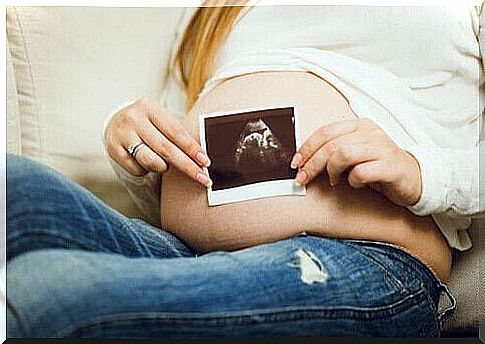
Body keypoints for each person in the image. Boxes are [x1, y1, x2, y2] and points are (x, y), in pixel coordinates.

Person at [7, 1, 483, 338]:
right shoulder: (218, 11)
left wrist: (424, 172)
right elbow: (179, 146)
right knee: (12, 187)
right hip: (185, 249)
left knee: (47, 291)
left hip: (366, 255)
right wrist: (132, 141)